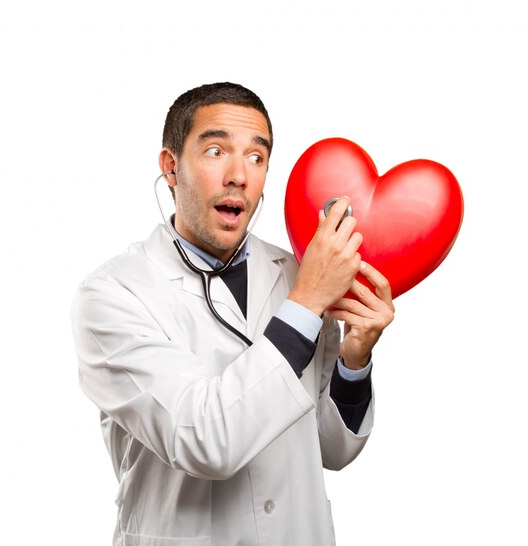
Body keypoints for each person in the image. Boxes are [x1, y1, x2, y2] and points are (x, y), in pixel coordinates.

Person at [71, 82, 395, 546]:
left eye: (256, 157)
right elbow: (204, 440)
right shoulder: (112, 294)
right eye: (216, 150)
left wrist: (354, 356)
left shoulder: (296, 272)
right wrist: (304, 304)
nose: (239, 175)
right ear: (171, 167)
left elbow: (331, 447)